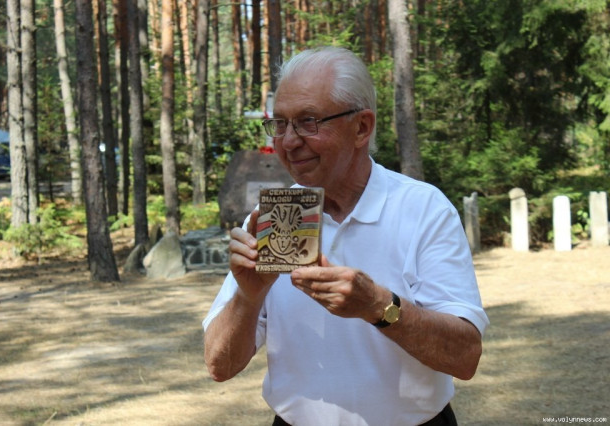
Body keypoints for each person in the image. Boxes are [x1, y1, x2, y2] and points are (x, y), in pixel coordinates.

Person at [202, 47, 489, 426]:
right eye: (280, 123)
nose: (288, 141)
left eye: (308, 122)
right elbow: (219, 366)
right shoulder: (273, 218)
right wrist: (249, 295)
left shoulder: (423, 209)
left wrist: (378, 306)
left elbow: (465, 358)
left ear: (362, 127)